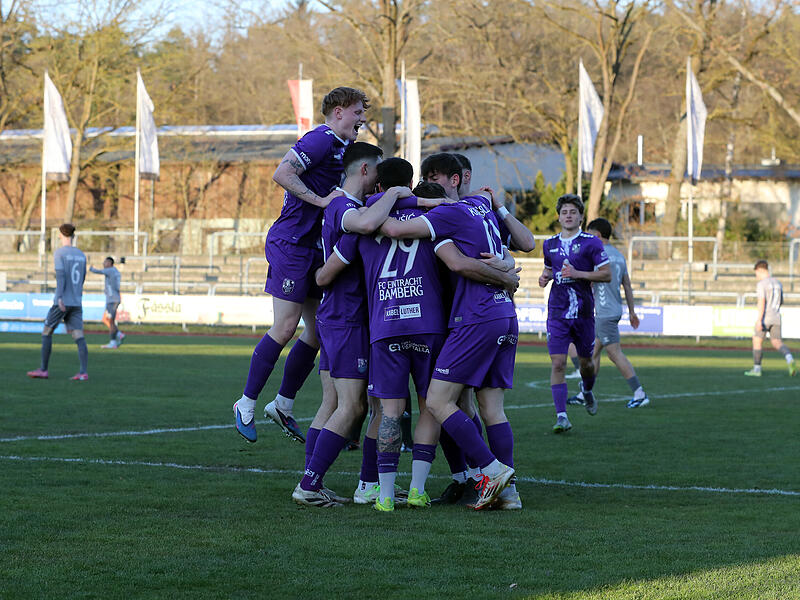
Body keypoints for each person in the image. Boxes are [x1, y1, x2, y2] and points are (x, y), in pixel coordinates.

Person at [378, 153, 520, 510]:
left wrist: (382, 204)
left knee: (439, 401)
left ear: (453, 180)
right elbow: (524, 245)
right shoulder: (481, 207)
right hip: (504, 313)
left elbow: (396, 231)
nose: (433, 182)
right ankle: (508, 495)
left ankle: (491, 470)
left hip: (474, 318)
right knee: (489, 409)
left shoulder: (444, 218)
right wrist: (507, 271)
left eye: (435, 176)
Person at [233, 86, 369, 444]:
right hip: (291, 244)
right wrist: (321, 201)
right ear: (338, 111)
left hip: (313, 248)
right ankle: (245, 403)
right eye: (357, 112)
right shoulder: (321, 138)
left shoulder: (342, 149)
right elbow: (283, 173)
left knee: (318, 332)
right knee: (285, 327)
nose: (362, 119)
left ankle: (282, 404)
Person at [292, 142, 413, 507]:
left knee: (333, 403)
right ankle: (312, 484)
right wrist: (395, 193)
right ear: (365, 171)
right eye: (378, 172)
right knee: (355, 408)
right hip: (347, 320)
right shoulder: (345, 207)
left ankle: (355, 483)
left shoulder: (348, 205)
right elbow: (364, 226)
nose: (381, 179)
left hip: (336, 318)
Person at [538, 195, 610, 433]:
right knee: (558, 363)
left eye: (573, 212)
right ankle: (562, 417)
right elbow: (549, 269)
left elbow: (606, 274)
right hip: (557, 312)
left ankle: (587, 389)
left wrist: (579, 273)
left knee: (586, 363)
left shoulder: (592, 243)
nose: (568, 215)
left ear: (581, 216)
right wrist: (544, 277)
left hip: (583, 313)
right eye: (564, 212)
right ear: (559, 216)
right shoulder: (549, 244)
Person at [567, 218, 649, 409]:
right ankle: (584, 393)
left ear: (597, 235)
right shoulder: (619, 256)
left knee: (614, 354)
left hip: (603, 313)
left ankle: (639, 393)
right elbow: (627, 285)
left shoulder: (598, 254)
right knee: (592, 354)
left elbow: (590, 282)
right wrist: (631, 311)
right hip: (611, 311)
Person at [27, 223, 89, 381]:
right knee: (79, 336)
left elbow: (61, 276)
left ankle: (43, 369)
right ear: (73, 236)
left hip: (62, 300)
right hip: (76, 301)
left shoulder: (59, 253)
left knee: (47, 332)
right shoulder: (81, 255)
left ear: (60, 235)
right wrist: (77, 296)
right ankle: (83, 372)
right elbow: (82, 278)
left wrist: (60, 297)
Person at [744, 260, 797, 377]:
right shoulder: (778, 283)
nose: (756, 276)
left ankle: (757, 369)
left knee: (757, 340)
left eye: (756, 273)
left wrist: (759, 320)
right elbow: (781, 301)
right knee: (777, 342)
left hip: (765, 317)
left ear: (760, 270)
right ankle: (790, 359)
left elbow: (761, 301)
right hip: (777, 317)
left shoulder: (762, 284)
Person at [90, 256, 125, 349]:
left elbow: (97, 271)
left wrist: (90, 268)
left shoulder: (110, 270)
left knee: (111, 321)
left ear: (110, 263)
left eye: (105, 262)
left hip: (112, 300)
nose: (103, 264)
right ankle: (118, 334)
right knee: (107, 319)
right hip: (113, 298)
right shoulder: (114, 271)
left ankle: (113, 341)